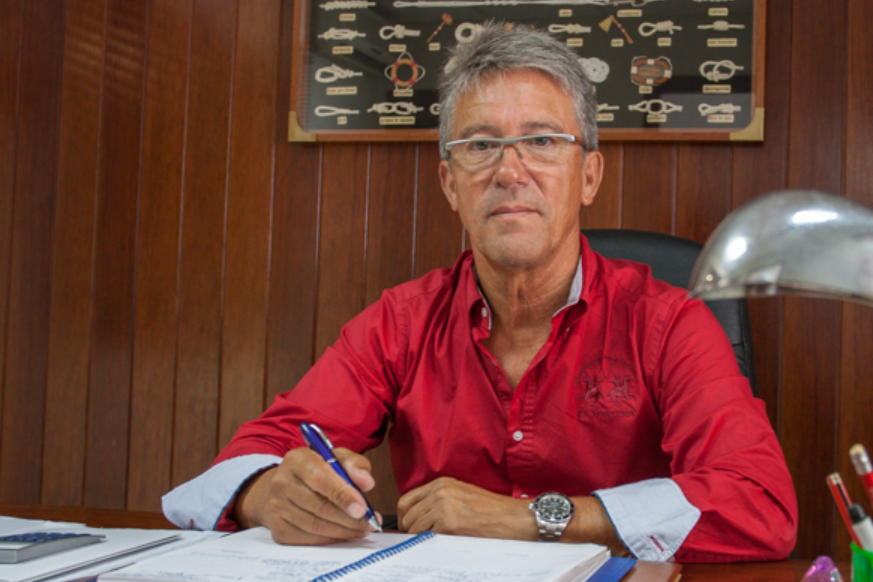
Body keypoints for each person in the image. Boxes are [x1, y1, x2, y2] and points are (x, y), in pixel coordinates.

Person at [163, 22, 797, 562]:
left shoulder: (668, 323)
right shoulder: (400, 323)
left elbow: (759, 505)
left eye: (542, 142)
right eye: (480, 145)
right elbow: (241, 461)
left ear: (589, 175)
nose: (509, 171)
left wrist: (535, 518)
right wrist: (264, 493)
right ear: (449, 183)